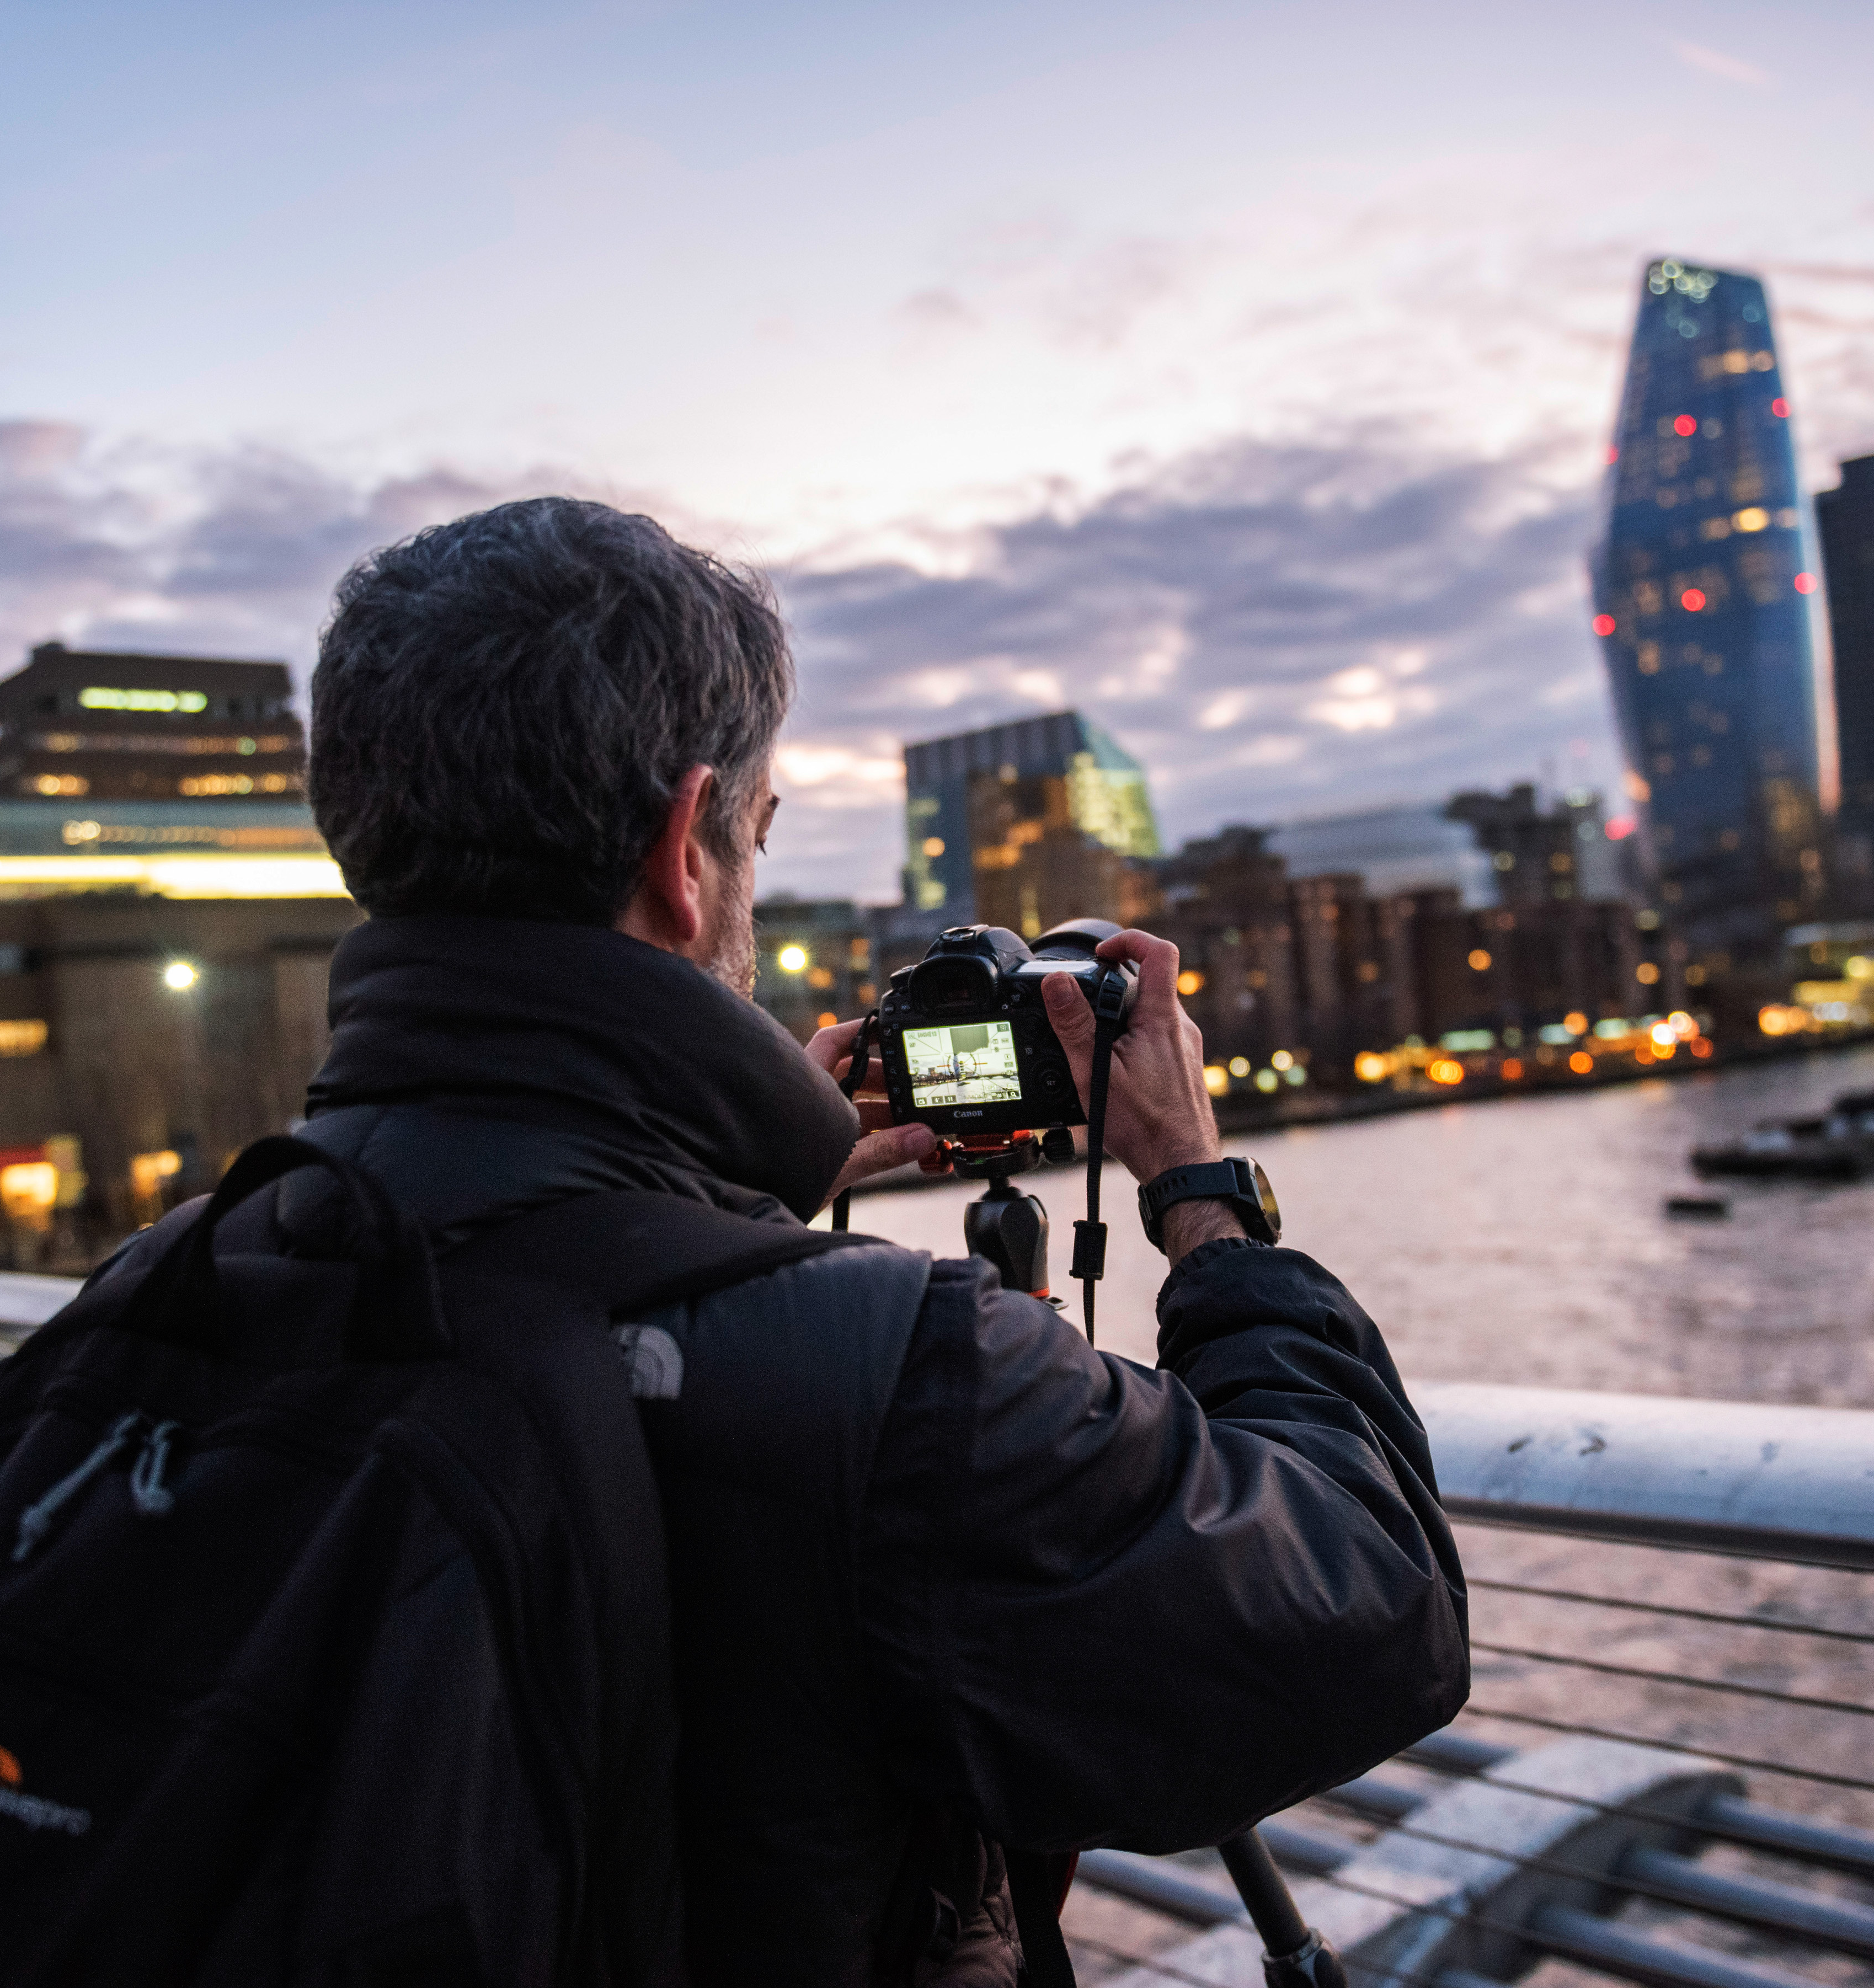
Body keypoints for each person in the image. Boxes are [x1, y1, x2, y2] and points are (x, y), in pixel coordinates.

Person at [297, 496, 1467, 1984]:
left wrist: (715, 1209)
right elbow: (1375, 1606)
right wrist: (1200, 1191)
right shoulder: (884, 1374)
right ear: (686, 852)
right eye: (761, 835)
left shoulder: (166, 1297)